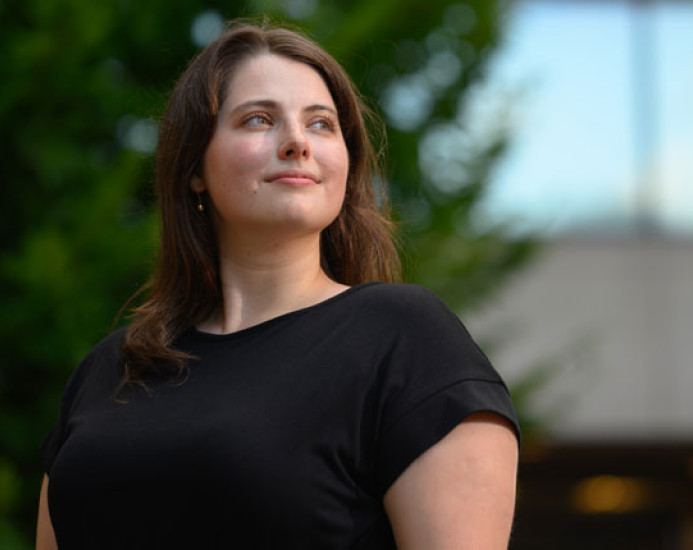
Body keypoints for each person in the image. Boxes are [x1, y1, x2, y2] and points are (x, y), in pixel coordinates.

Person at [36, 20, 519, 549]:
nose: (296, 143)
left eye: (321, 124)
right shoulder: (113, 367)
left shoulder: (404, 339)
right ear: (195, 165)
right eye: (259, 119)